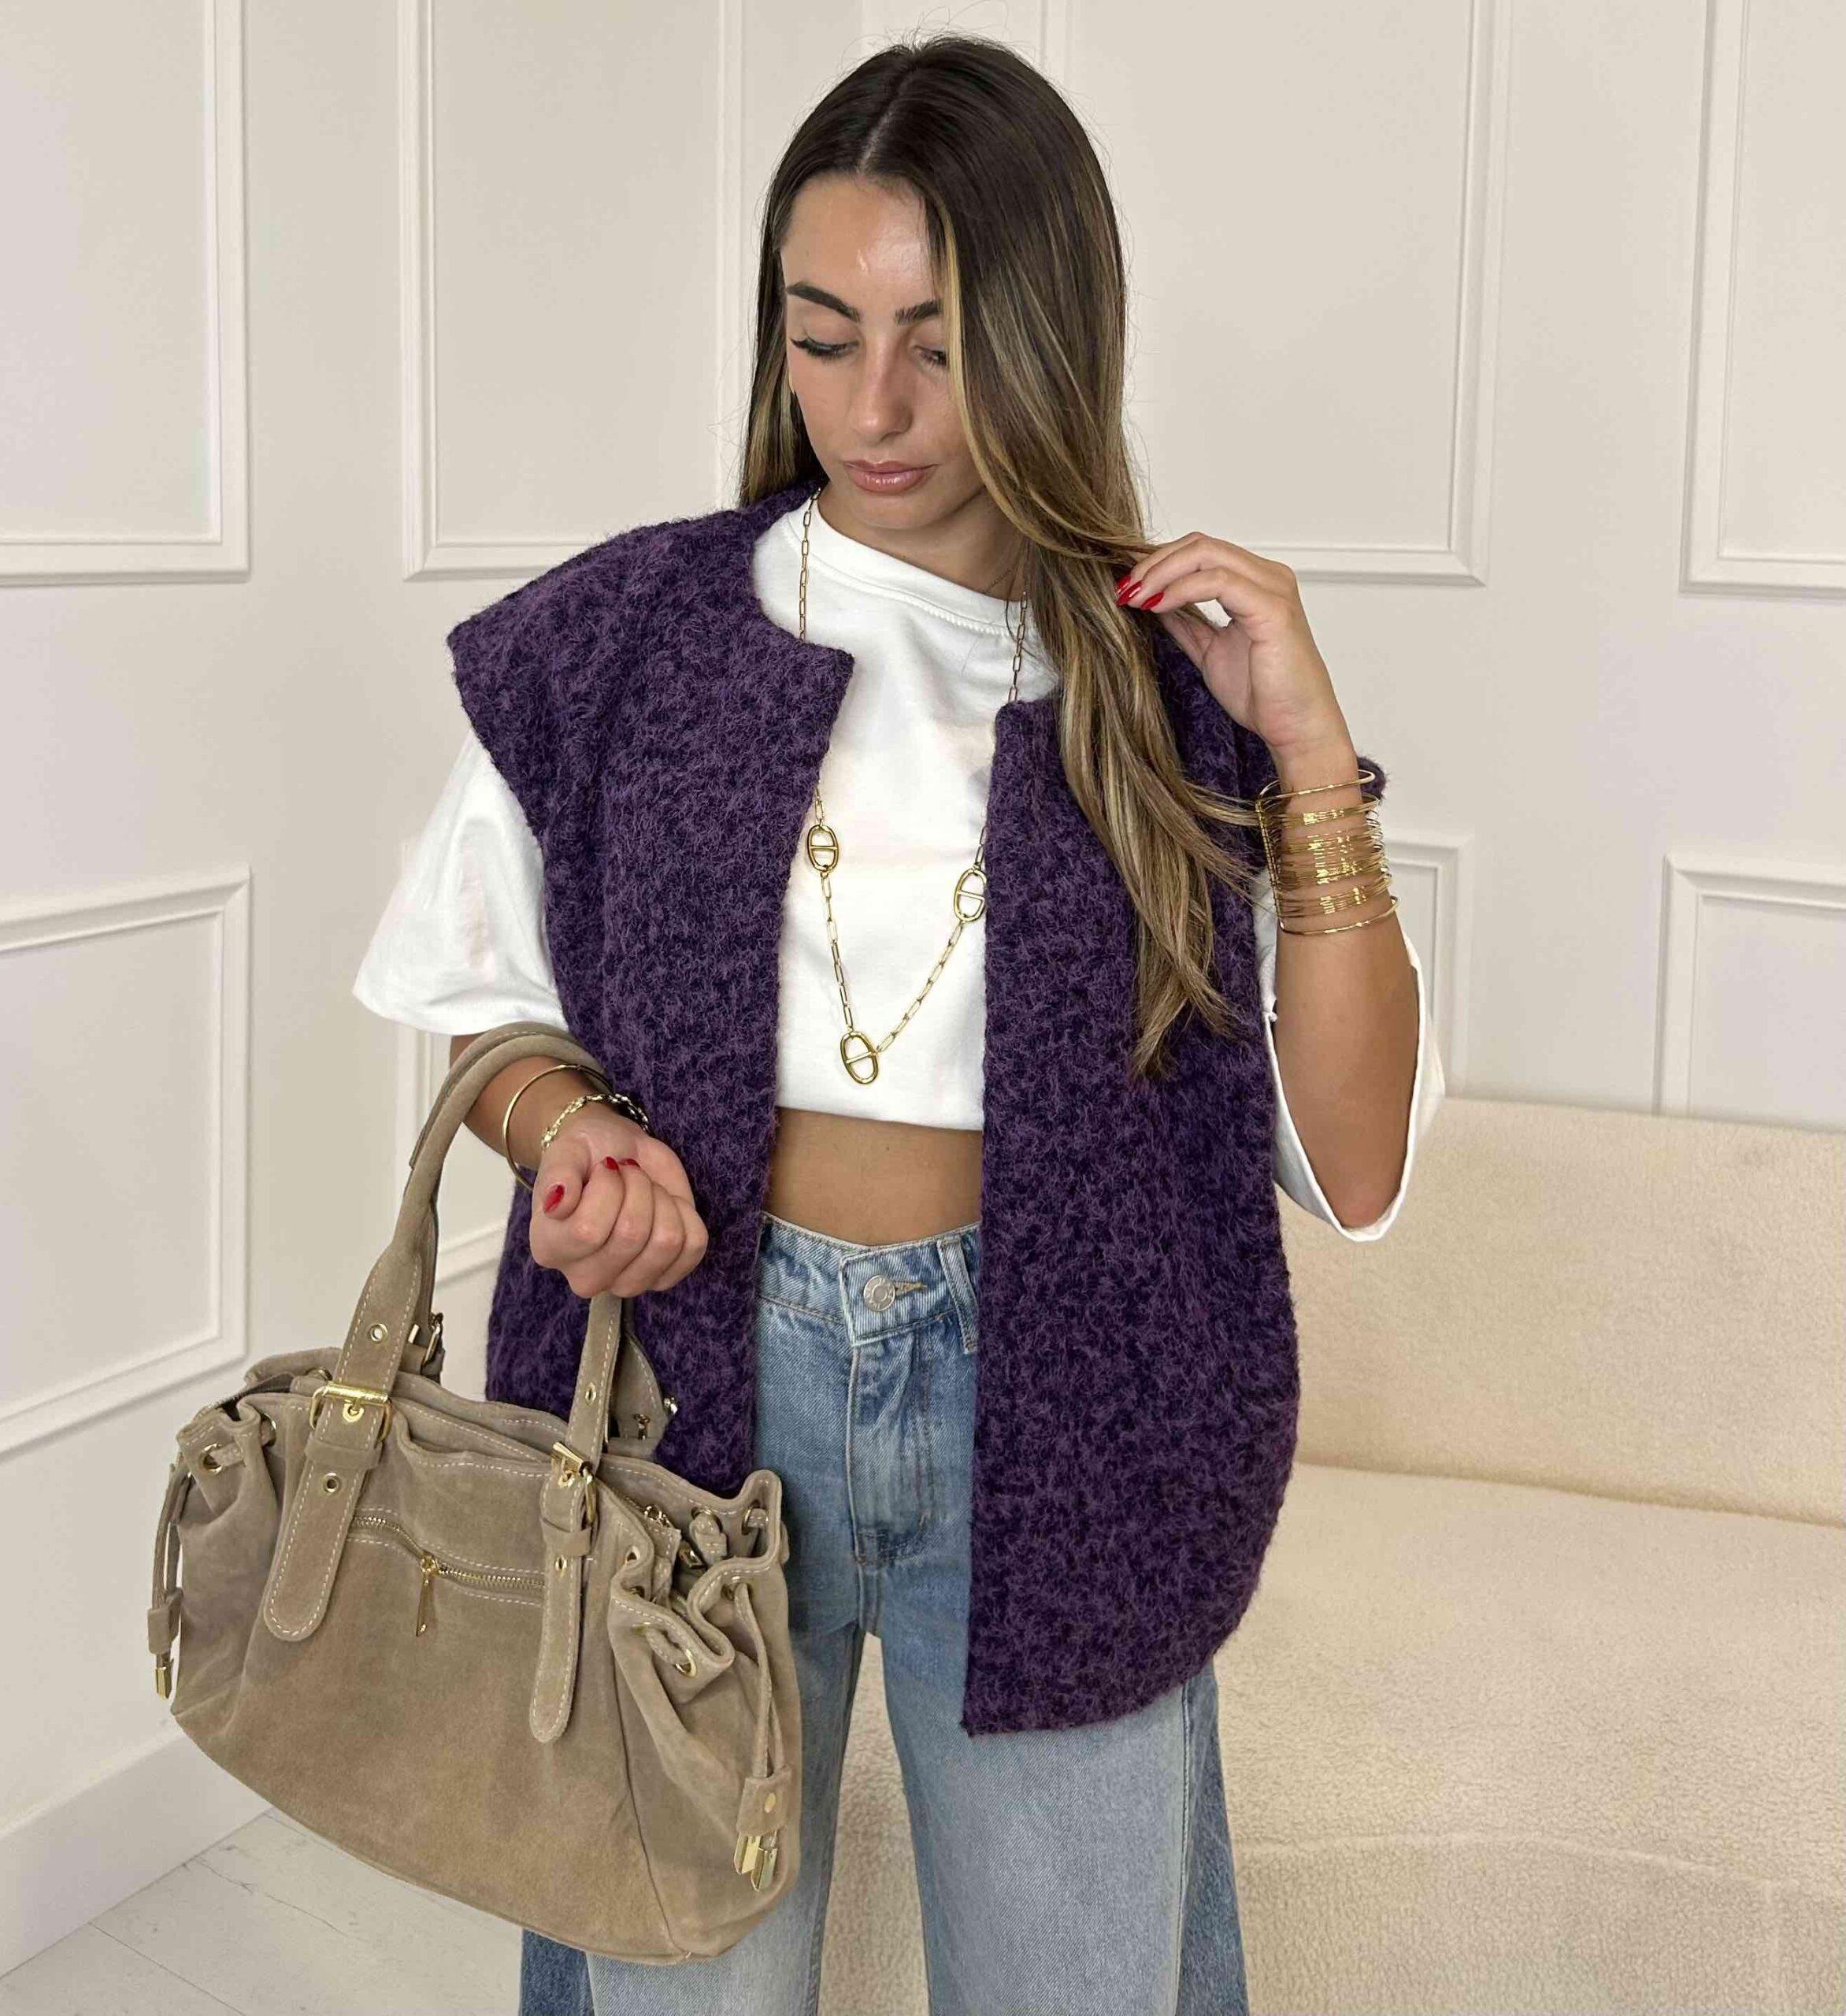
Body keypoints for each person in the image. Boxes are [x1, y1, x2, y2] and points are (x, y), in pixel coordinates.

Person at [353, 31, 1443, 2016]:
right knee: (676, 1979)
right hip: (684, 1405)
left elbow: (1354, 1169)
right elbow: (483, 1016)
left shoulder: (1176, 690)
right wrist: (570, 1137)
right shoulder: (623, 637)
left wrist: (1306, 749)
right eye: (821, 333)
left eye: (936, 344)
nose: (872, 406)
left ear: (1047, 335)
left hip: (1071, 1419)